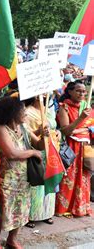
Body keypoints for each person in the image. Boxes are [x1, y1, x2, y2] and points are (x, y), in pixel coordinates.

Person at [0, 97, 44, 248]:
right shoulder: (0, 129)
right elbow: (12, 154)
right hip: (6, 177)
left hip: (23, 178)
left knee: (22, 209)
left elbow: (39, 145)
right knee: (3, 211)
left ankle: (12, 239)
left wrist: (44, 135)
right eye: (22, 111)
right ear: (12, 113)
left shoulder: (24, 127)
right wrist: (32, 153)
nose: (26, 114)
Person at [56, 81, 92, 217]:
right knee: (69, 178)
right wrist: (80, 119)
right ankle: (64, 208)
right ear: (70, 91)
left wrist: (85, 128)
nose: (82, 94)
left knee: (83, 177)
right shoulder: (64, 107)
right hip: (71, 148)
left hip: (85, 147)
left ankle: (80, 207)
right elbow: (66, 130)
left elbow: (90, 127)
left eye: (84, 91)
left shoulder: (86, 106)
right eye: (78, 91)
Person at [24, 96, 58, 227]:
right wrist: (39, 132)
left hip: (52, 149)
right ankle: (32, 214)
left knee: (50, 180)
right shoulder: (27, 111)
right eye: (42, 94)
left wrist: (57, 133)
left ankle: (47, 212)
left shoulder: (48, 111)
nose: (45, 96)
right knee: (37, 181)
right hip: (37, 149)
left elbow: (54, 126)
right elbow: (26, 133)